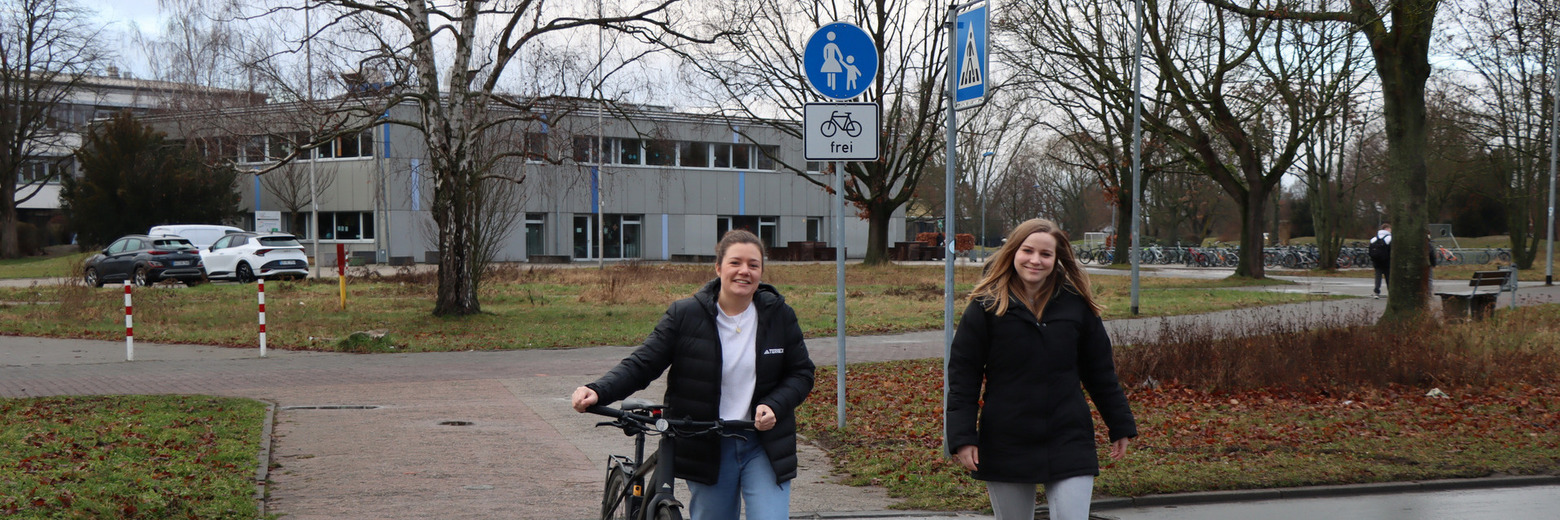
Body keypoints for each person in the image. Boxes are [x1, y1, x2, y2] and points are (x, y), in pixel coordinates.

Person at [571, 229, 815, 520]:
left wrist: (774, 405)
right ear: (718, 267)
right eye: (735, 262)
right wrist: (598, 390)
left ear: (761, 271)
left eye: (753, 264)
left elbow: (801, 373)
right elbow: (643, 363)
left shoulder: (779, 315)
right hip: (707, 444)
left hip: (762, 445)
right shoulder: (686, 315)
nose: (744, 271)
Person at [946, 219, 1137, 520]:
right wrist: (962, 437)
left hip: (1068, 436)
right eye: (1028, 251)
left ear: (1057, 259)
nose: (1035, 260)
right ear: (1013, 252)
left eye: (1045, 254)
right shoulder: (986, 307)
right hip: (1006, 437)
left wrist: (1120, 424)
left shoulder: (1077, 307)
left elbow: (1100, 372)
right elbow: (963, 377)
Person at [1369, 224, 1392, 299]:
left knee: (1378, 276)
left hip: (1376, 261)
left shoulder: (1374, 238)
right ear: (1387, 229)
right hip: (1386, 261)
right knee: (1388, 276)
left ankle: (1376, 292)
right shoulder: (1389, 238)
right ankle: (1390, 293)